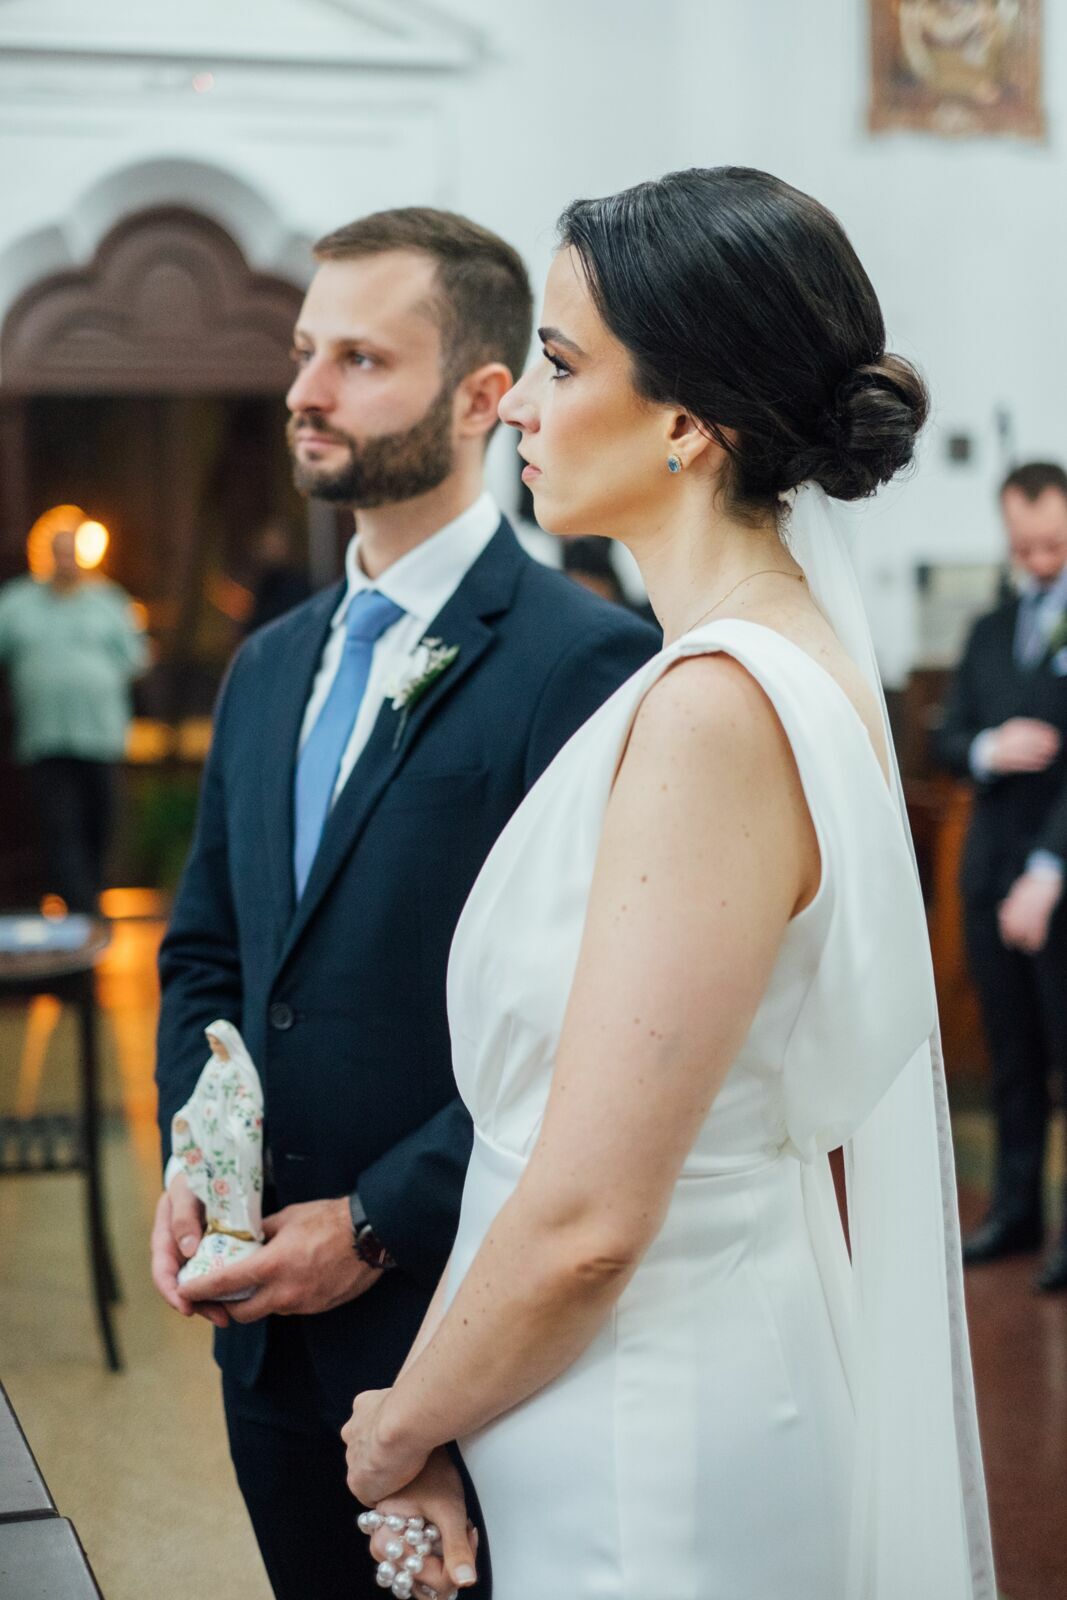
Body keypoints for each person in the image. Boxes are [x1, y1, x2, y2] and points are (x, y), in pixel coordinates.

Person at [342, 168, 995, 1600]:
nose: (515, 401)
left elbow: (586, 1222)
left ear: (689, 424)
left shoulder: (711, 713)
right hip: (638, 1378)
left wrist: (399, 1426)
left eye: (561, 364)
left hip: (647, 1433)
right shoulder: (763, 660)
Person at [151, 206, 658, 1600]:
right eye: (307, 350)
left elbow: (587, 1036)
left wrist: (372, 1222)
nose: (306, 390)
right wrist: (193, 1165)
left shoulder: (590, 663)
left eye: (360, 359)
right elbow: (207, 952)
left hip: (457, 1330)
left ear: (483, 400)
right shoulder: (267, 666)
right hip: (262, 1335)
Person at [938, 461, 1067, 1292]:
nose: (1040, 560)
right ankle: (1015, 1212)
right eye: (1024, 545)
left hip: (1057, 871)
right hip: (989, 870)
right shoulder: (989, 628)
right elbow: (948, 734)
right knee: (1012, 1056)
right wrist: (985, 748)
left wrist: (1050, 868)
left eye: (1054, 543)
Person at [0, 527, 147, 911]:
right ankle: (81, 908)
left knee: (100, 820)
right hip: (46, 734)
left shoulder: (108, 600)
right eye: (57, 553)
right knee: (59, 825)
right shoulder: (18, 602)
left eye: (70, 553)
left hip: (99, 733)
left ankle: (91, 896)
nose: (64, 561)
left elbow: (136, 658)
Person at [243, 520, 313, 635]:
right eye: (267, 545)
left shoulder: (297, 585)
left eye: (276, 544)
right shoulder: (261, 583)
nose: (271, 549)